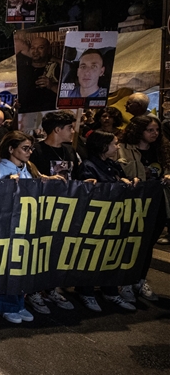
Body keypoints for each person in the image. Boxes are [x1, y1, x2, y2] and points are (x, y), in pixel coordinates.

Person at [75, 130, 138, 312]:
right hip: (95, 221)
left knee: (110, 256)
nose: (117, 146)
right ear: (103, 146)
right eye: (114, 143)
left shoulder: (112, 165)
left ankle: (110, 291)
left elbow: (120, 181)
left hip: (113, 219)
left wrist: (129, 182)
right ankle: (86, 292)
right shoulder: (88, 166)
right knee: (91, 257)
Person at [0, 131, 40, 324]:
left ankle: (19, 303)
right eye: (25, 148)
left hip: (26, 225)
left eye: (30, 148)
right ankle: (5, 306)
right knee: (6, 267)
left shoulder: (30, 169)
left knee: (22, 267)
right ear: (11, 149)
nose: (29, 152)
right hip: (6, 227)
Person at [115, 115, 168, 302]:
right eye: (150, 130)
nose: (155, 133)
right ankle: (125, 282)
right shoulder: (123, 149)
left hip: (158, 202)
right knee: (131, 242)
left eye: (157, 130)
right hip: (135, 203)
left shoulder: (160, 151)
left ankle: (140, 279)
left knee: (148, 243)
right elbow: (121, 171)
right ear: (139, 131)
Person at [15, 37, 58, 112]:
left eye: (40, 48)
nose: (35, 51)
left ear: (48, 50)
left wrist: (52, 86)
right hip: (27, 118)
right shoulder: (21, 70)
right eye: (33, 48)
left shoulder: (56, 69)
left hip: (49, 116)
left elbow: (69, 94)